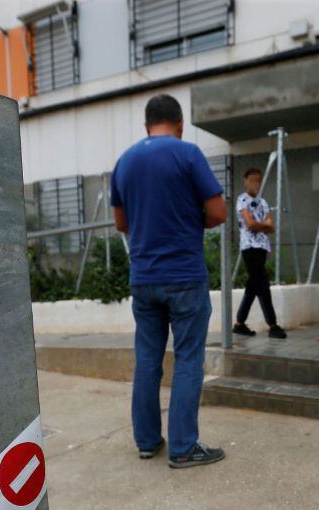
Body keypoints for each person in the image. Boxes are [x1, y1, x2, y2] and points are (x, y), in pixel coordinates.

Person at [111, 94, 227, 469]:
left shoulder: (125, 162)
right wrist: (193, 219)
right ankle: (183, 447)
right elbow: (218, 212)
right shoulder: (188, 153)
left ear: (146, 126)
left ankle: (147, 441)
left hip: (144, 277)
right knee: (189, 359)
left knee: (147, 360)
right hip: (184, 276)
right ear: (180, 124)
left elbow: (121, 223)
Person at [233, 168, 287, 339]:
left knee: (253, 286)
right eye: (252, 180)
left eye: (258, 180)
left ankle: (240, 324)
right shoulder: (242, 200)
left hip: (262, 247)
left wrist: (261, 225)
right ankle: (273, 325)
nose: (255, 183)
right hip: (249, 247)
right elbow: (249, 224)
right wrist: (263, 224)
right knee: (262, 284)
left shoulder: (263, 202)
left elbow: (272, 227)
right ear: (245, 181)